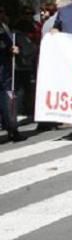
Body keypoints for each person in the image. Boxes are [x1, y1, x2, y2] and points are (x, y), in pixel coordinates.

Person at [0, 8, 25, 142]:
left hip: (5, 69)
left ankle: (11, 128)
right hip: (2, 69)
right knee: (7, 98)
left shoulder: (4, 27)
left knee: (8, 99)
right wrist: (8, 48)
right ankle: (11, 128)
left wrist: (12, 49)